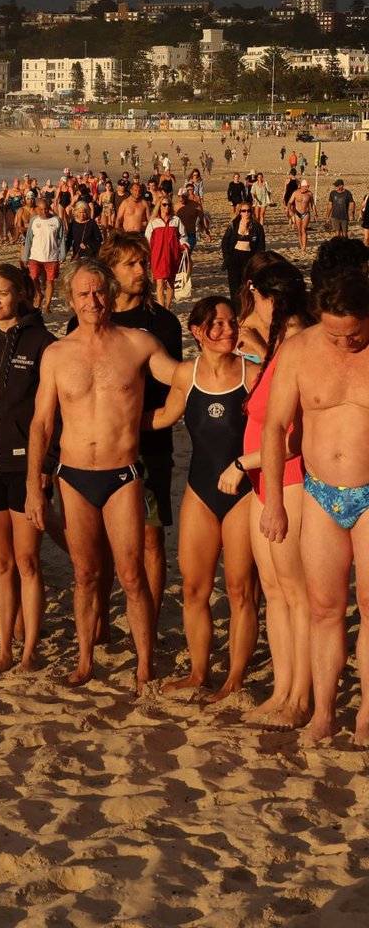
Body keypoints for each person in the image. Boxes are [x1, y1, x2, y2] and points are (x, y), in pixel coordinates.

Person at [25, 258, 177, 693]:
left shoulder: (138, 344)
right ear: (70, 300)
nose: (93, 301)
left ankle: (145, 664)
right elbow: (41, 423)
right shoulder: (56, 354)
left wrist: (217, 368)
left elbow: (181, 378)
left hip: (122, 475)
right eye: (84, 294)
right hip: (73, 476)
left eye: (99, 292)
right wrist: (34, 485)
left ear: (110, 295)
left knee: (131, 575)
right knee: (86, 574)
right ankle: (85, 659)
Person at [260, 271, 369, 744]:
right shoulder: (300, 350)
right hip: (321, 492)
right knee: (325, 608)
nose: (345, 342)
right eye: (334, 333)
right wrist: (273, 502)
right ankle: (323, 711)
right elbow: (274, 426)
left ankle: (366, 712)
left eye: (355, 334)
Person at [148, 297, 258, 698]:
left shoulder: (252, 374)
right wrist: (106, 424)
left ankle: (234, 679)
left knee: (241, 589)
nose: (228, 331)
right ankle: (198, 673)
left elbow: (275, 431)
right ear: (197, 332)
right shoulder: (185, 374)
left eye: (231, 323)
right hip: (199, 490)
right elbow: (162, 417)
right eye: (217, 324)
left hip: (243, 492)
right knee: (194, 589)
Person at [94, 232, 183, 626]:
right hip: (98, 446)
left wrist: (141, 422)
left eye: (142, 263)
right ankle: (99, 624)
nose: (141, 270)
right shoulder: (95, 319)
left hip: (150, 444)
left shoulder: (161, 322)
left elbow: (174, 389)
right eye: (130, 263)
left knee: (150, 540)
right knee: (100, 543)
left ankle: (148, 619)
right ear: (109, 271)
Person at [0, 265, 53, 674]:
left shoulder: (43, 343)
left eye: (3, 293)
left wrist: (45, 469)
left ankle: (29, 651)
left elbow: (52, 415)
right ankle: (4, 650)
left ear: (21, 293)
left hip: (25, 468)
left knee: (27, 562)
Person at [238, 261, 312, 727]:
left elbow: (294, 434)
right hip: (262, 479)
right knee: (273, 590)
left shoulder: (299, 345)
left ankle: (300, 696)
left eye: (257, 299)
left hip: (289, 476)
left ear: (270, 299)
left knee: (296, 593)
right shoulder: (277, 345)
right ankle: (282, 688)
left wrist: (242, 463)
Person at [22, 197, 66, 311]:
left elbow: (61, 239)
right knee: (33, 277)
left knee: (50, 281)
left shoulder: (57, 220)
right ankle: (39, 293)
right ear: (38, 209)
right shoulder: (34, 221)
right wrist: (25, 256)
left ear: (49, 208)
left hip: (51, 257)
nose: (44, 211)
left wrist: (63, 254)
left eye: (46, 209)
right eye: (41, 209)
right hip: (35, 256)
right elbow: (28, 240)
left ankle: (47, 305)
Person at [145, 195, 187, 310]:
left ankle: (168, 307)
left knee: (170, 282)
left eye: (169, 204)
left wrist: (184, 245)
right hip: (157, 255)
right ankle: (161, 308)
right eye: (164, 204)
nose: (167, 207)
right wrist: (148, 255)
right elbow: (147, 239)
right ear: (159, 206)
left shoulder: (176, 220)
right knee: (159, 283)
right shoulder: (154, 222)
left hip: (173, 255)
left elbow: (183, 236)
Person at [221, 203, 266, 301]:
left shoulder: (257, 227)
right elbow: (225, 242)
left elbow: (261, 246)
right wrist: (227, 258)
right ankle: (236, 308)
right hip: (234, 257)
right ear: (240, 212)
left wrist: (258, 261)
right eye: (244, 211)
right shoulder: (233, 225)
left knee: (249, 285)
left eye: (249, 211)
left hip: (250, 258)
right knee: (234, 286)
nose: (246, 213)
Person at [287, 180, 315, 253]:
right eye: (306, 186)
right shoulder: (295, 193)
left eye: (308, 186)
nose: (308, 188)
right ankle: (301, 245)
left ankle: (304, 247)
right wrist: (289, 210)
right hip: (297, 213)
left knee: (304, 229)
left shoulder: (309, 194)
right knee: (299, 231)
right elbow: (289, 202)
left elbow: (312, 204)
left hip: (306, 213)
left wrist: (315, 213)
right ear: (302, 186)